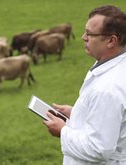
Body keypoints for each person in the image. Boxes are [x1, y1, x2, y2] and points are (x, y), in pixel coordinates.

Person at [43, 5, 126, 165]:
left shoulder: (108, 89)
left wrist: (62, 131)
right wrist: (77, 114)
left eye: (89, 34)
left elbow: (98, 148)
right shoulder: (115, 66)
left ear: (111, 41)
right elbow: (113, 118)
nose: (83, 37)